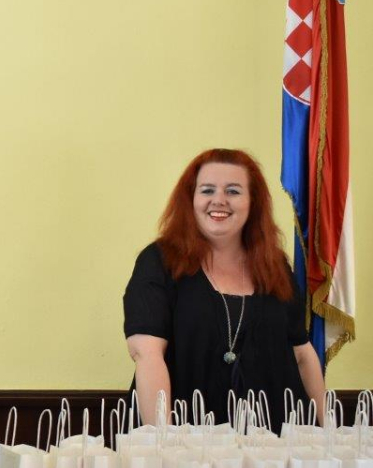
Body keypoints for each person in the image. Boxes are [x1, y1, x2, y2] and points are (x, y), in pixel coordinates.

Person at [124, 148, 326, 428]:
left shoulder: (275, 265)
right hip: (185, 438)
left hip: (273, 441)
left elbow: (302, 354)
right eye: (207, 190)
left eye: (233, 191)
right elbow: (147, 355)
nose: (219, 200)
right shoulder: (159, 261)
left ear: (253, 202)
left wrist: (327, 431)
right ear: (191, 199)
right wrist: (164, 441)